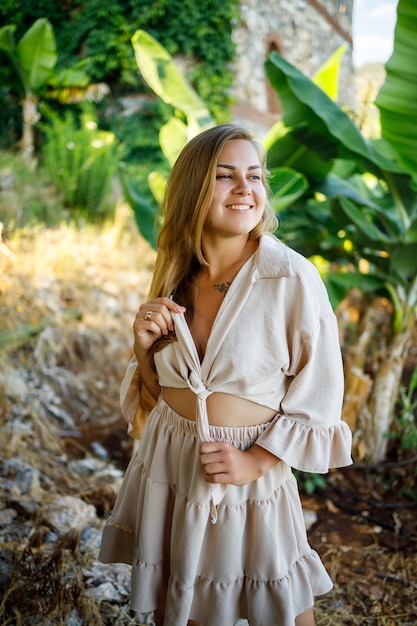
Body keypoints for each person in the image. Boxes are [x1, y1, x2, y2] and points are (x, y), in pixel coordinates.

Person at [99, 123, 352, 626]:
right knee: (181, 598)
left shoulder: (290, 277)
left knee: (277, 602)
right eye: (226, 176)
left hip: (248, 471)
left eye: (255, 176)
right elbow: (158, 399)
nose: (246, 189)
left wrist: (254, 462)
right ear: (194, 189)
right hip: (173, 459)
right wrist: (144, 349)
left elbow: (320, 391)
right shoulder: (177, 272)